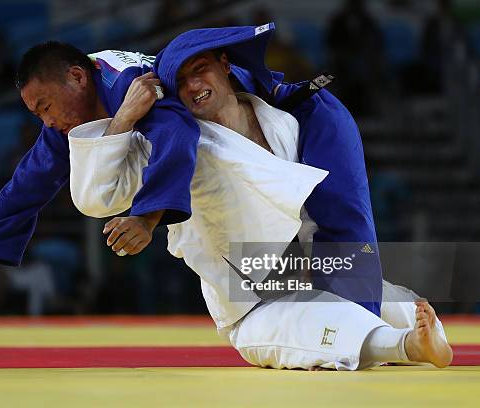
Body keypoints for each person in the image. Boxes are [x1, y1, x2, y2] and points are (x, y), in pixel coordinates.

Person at [64, 31, 452, 371]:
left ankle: (414, 332)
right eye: (180, 82)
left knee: (383, 299)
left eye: (200, 69)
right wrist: (125, 121)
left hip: (310, 267)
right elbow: (97, 196)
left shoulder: (285, 122)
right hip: (251, 305)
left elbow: (326, 211)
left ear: (225, 64)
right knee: (302, 328)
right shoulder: (177, 143)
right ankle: (405, 346)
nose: (192, 85)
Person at [0, 43, 198, 307]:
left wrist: (146, 218)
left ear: (77, 77)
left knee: (246, 319)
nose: (48, 121)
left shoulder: (124, 82)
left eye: (46, 107)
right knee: (238, 325)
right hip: (189, 188)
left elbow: (177, 131)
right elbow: (22, 190)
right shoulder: (70, 117)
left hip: (217, 162)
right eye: (38, 115)